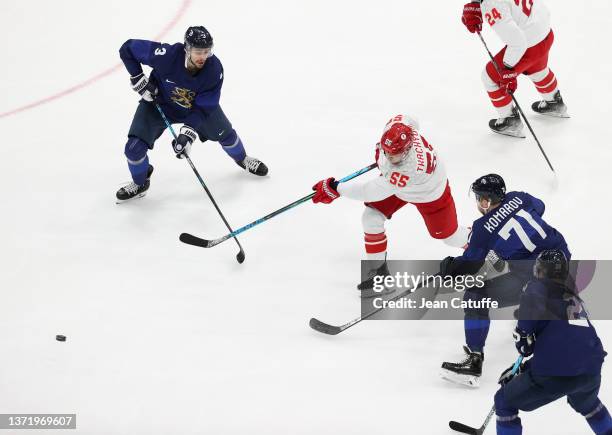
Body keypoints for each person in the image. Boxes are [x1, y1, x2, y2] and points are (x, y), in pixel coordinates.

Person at [310, 114, 470, 297]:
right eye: (386, 152)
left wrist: (336, 188)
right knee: (371, 218)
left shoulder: (409, 169)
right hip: (399, 188)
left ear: (408, 149)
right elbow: (411, 119)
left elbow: (369, 191)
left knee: (450, 237)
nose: (389, 157)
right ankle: (380, 276)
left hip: (430, 193)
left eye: (395, 155)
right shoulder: (398, 125)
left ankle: (480, 243)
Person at [439, 173, 570, 387]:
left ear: (485, 201)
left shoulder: (482, 229)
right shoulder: (520, 197)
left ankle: (474, 359)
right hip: (561, 259)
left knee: (475, 296)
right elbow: (540, 207)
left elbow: (470, 264)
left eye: (479, 198)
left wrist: (451, 267)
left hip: (532, 278)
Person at [116, 26, 268, 202]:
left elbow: (204, 107)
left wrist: (187, 135)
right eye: (198, 52)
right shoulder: (167, 55)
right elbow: (127, 48)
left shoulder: (214, 69)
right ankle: (140, 183)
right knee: (133, 149)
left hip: (195, 109)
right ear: (186, 48)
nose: (203, 57)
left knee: (226, 135)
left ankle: (243, 159)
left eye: (206, 51)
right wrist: (137, 78)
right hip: (159, 103)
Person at [494, 249, 610, 435]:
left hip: (557, 370)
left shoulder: (535, 288)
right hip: (591, 369)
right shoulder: (574, 297)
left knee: (504, 400)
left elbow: (525, 344)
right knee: (589, 405)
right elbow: (568, 342)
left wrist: (523, 353)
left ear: (541, 271)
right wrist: (525, 368)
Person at [461, 0, 569, 137]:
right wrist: (476, 3)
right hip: (545, 33)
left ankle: (510, 121)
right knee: (538, 69)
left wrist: (507, 70)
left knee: (490, 77)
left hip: (527, 45)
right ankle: (555, 102)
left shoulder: (492, 4)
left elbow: (518, 42)